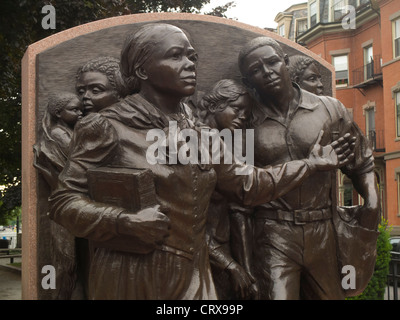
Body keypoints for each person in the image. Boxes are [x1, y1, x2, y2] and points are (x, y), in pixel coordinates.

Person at [49, 24, 354, 300]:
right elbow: (63, 202)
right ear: (142, 70)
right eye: (176, 56)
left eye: (192, 57)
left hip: (194, 276)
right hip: (130, 276)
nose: (189, 65)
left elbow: (249, 185)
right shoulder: (107, 127)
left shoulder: (202, 136)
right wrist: (122, 222)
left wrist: (310, 165)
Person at [238, 37, 380, 300]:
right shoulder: (245, 121)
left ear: (286, 62)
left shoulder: (329, 108)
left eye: (272, 62)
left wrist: (371, 202)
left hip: (323, 231)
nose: (267, 72)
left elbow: (361, 162)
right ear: (248, 82)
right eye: (256, 70)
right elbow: (240, 187)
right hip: (272, 235)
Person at [198, 79, 257, 299]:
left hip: (220, 247)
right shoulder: (191, 141)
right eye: (237, 109)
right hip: (195, 254)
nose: (242, 117)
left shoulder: (234, 145)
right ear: (214, 106)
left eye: (247, 113)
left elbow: (240, 206)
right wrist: (230, 264)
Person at [33, 92, 83, 299]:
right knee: (65, 261)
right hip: (66, 203)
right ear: (58, 113)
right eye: (74, 110)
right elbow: (81, 162)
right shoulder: (59, 135)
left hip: (73, 202)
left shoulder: (68, 132)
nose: (80, 113)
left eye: (81, 109)